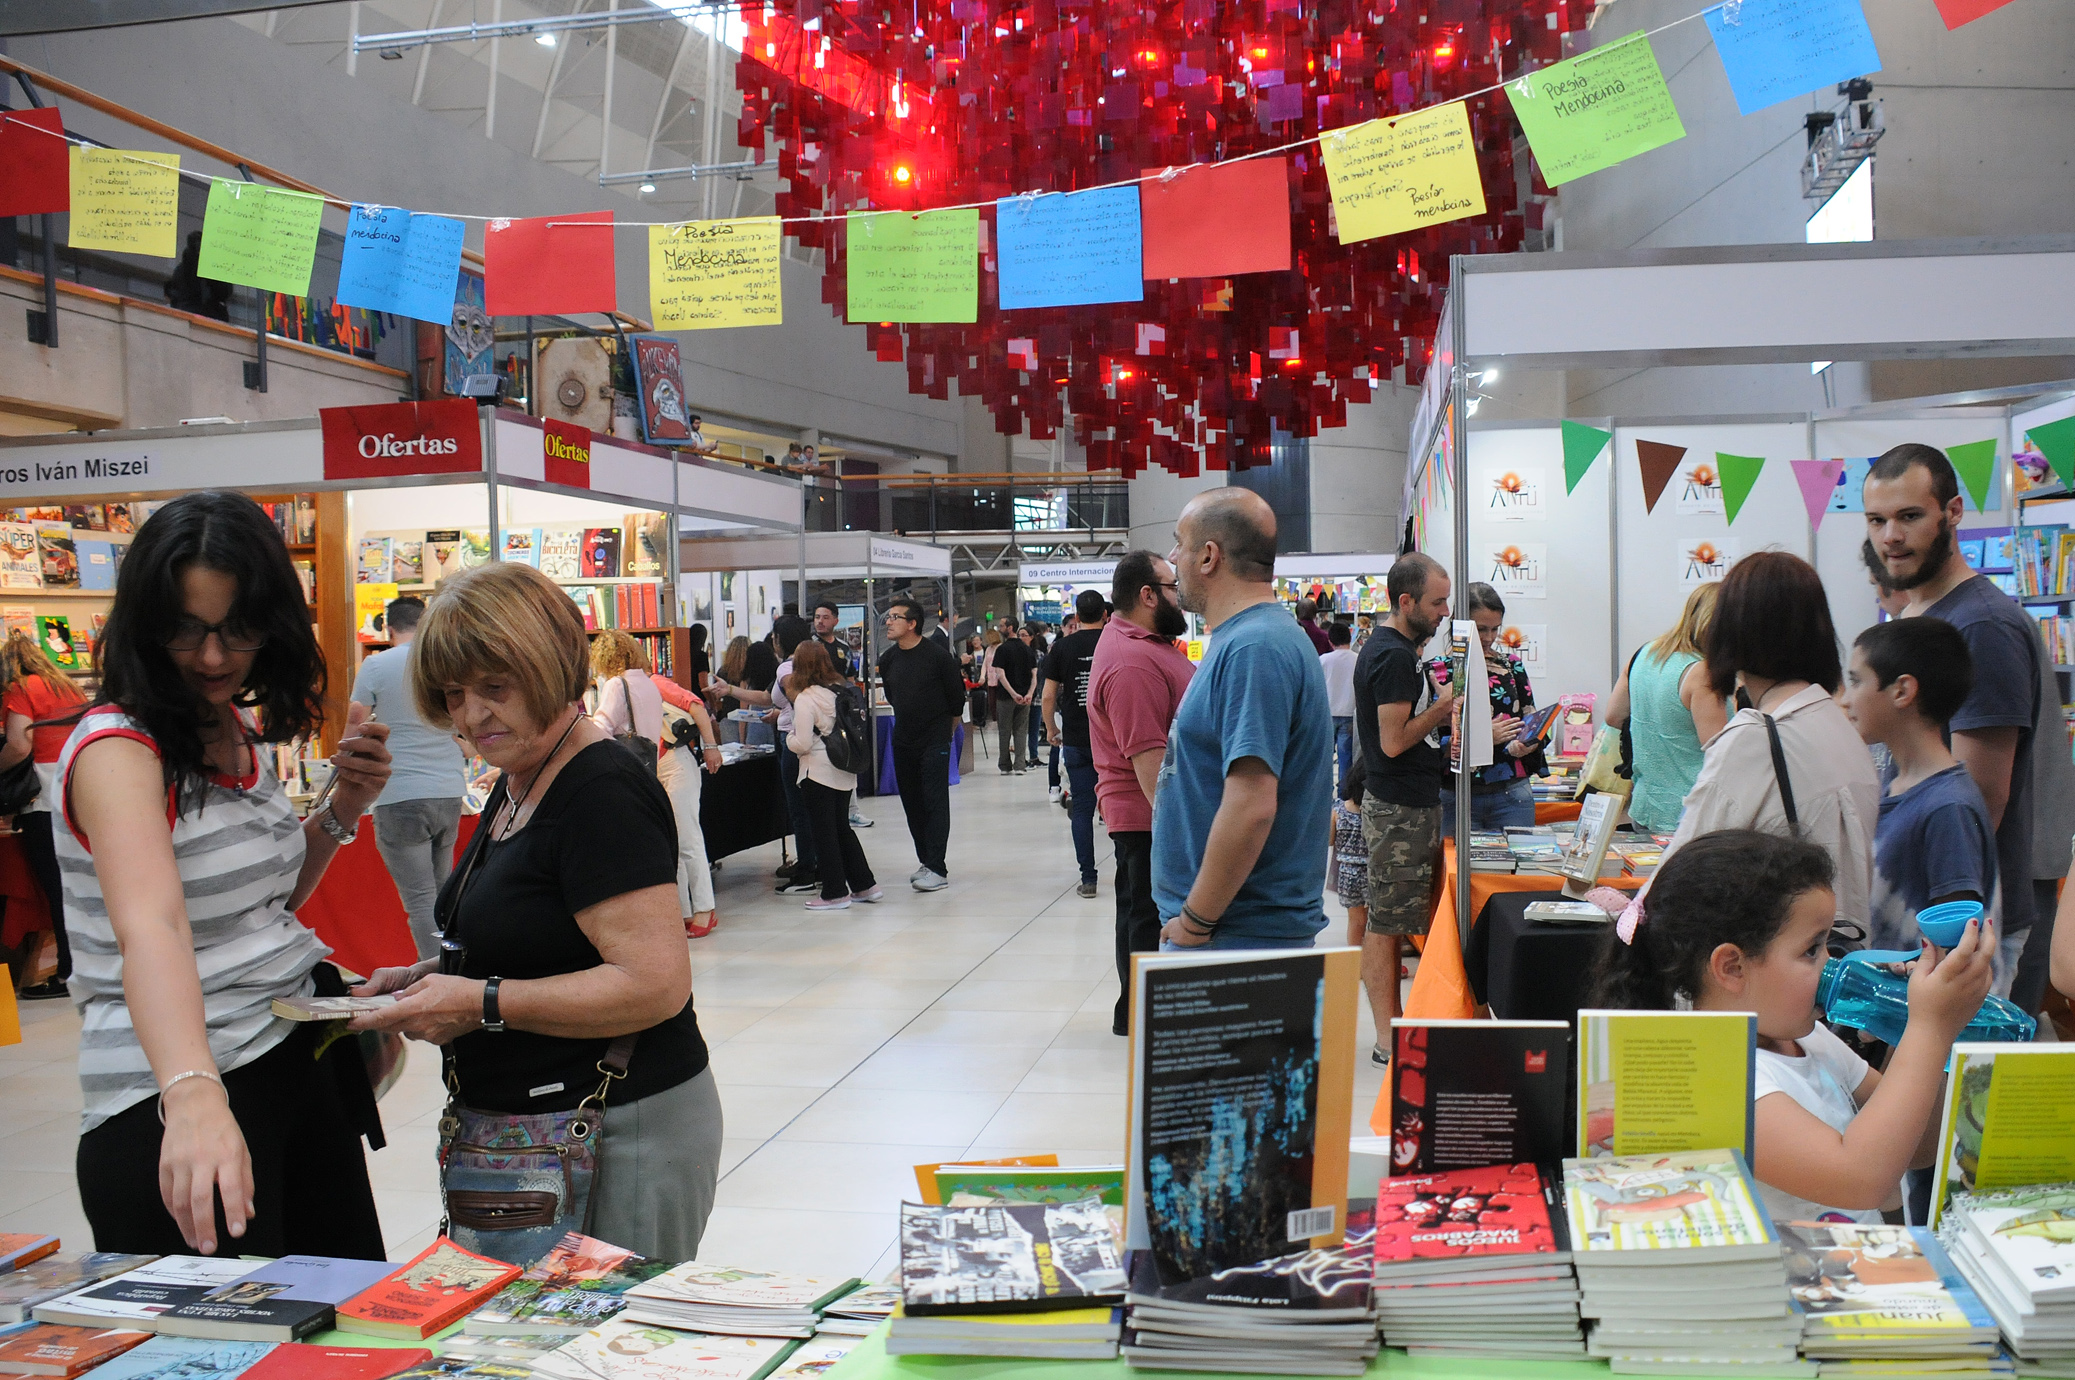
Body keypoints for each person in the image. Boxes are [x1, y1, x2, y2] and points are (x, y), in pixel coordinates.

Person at [352, 561, 719, 1261]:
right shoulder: (523, 777)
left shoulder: (598, 791)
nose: (472, 715)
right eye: (454, 695)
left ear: (547, 667)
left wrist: (480, 1001)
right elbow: (541, 939)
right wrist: (428, 978)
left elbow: (653, 983)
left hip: (619, 1133)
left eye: (495, 688)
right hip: (544, 1139)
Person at [62, 490, 395, 1258]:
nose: (213, 657)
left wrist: (345, 805)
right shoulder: (118, 749)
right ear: (146, 624)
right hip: (179, 1094)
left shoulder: (228, 727)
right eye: (185, 629)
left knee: (336, 1340)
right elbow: (154, 925)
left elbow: (259, 905)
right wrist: (191, 1087)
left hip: (286, 1068)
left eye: (236, 629)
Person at [1586, 829, 1992, 1224]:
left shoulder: (1807, 1039)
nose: (1830, 963)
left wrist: (1918, 1030)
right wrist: (1929, 1031)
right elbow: (1859, 1180)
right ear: (1732, 967)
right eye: (1811, 949)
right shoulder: (1716, 1077)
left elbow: (1917, 1147)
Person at [1866, 443, 2042, 994]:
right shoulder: (1918, 614)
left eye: (1909, 516)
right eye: (1877, 520)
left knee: (1952, 1081)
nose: (1890, 536)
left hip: (1957, 926)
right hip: (1917, 919)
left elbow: (1979, 800)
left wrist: (1940, 935)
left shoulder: (1981, 626)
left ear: (1954, 512)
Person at [1659, 551, 1879, 952]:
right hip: (1839, 962)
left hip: (1764, 970)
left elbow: (1680, 875)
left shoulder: (1754, 737)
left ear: (1730, 631)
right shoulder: (1840, 725)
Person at [1154, 489, 1332, 952]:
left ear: (1209, 556)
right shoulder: (1250, 640)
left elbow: (1251, 805)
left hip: (1235, 934)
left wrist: (1194, 921)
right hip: (1234, 929)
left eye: (1180, 543)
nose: (1174, 558)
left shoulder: (1255, 648)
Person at [1843, 618, 2001, 966]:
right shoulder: (1893, 779)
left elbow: (1958, 950)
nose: (1845, 698)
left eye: (1855, 681)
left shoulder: (1948, 808)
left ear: (1902, 691)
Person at [1354, 552, 1459, 1060]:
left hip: (1405, 803)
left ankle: (1393, 1029)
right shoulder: (1393, 656)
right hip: (1398, 808)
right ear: (1405, 601)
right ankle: (1386, 1037)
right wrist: (1442, 711)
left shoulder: (1399, 650)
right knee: (1387, 923)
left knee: (1393, 919)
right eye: (1437, 603)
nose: (1443, 613)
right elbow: (1393, 741)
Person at [1089, 552, 1194, 1034]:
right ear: (1148, 595)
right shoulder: (1132, 662)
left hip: (1146, 813)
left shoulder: (1144, 643)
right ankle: (1141, 1013)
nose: (1182, 595)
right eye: (1174, 587)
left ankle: (1138, 1009)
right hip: (1147, 814)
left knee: (1139, 910)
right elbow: (1150, 765)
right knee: (1145, 915)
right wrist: (1184, 828)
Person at [350, 596, 468, 964]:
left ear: (388, 628)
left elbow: (354, 727)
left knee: (419, 899)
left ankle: (440, 980)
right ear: (427, 621)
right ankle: (457, 972)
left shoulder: (376, 664)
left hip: (398, 792)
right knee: (444, 894)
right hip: (449, 791)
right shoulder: (443, 664)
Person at [1, 628, 88, 999]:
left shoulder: (19, 689)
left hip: (44, 799)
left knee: (57, 889)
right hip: (80, 789)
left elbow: (20, 745)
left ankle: (68, 971)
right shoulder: (68, 687)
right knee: (82, 885)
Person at [1604, 583, 1726, 835]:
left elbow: (1614, 716)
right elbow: (1723, 752)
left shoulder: (1644, 654)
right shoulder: (1702, 673)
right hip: (1692, 817)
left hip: (1646, 806)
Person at [1433, 582, 1544, 834]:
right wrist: (1482, 738)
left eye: (1495, 629)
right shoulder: (1438, 671)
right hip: (1457, 794)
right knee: (1457, 870)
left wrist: (1532, 739)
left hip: (1512, 792)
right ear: (1459, 625)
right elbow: (1429, 741)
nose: (1489, 638)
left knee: (1514, 872)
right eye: (1481, 629)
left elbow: (1531, 718)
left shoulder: (1511, 666)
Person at [783, 640, 880, 910]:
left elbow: (801, 743)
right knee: (842, 828)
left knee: (823, 833)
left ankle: (835, 891)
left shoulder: (805, 698)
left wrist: (789, 738)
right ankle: (864, 885)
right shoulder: (840, 689)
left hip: (818, 771)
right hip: (844, 766)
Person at [877, 597, 965, 891]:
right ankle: (926, 861)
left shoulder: (938, 657)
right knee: (912, 802)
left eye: (895, 617)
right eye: (888, 617)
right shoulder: (888, 659)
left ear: (912, 624)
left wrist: (945, 734)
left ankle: (937, 867)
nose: (888, 622)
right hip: (903, 739)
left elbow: (956, 702)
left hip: (935, 738)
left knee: (935, 801)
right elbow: (892, 697)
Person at [1043, 590, 1108, 898]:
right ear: (1106, 615)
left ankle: (1089, 878)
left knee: (1082, 809)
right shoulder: (1115, 644)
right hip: (1112, 741)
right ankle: (1131, 874)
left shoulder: (1062, 648)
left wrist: (1051, 729)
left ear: (1077, 617)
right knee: (1120, 808)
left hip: (1077, 740)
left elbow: (1047, 696)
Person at [1334, 758, 1371, 953]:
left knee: (1355, 921)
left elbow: (1330, 840)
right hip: (1372, 871)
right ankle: (1375, 962)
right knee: (1375, 922)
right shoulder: (1375, 812)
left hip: (1347, 873)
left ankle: (1355, 961)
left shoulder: (1339, 810)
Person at [993, 614, 1036, 774]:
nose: (999, 628)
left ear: (1010, 628)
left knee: (1004, 731)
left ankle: (1005, 765)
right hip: (1025, 697)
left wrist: (1012, 693)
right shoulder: (1027, 650)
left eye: (1002, 625)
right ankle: (1020, 765)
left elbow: (1000, 674)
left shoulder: (1002, 649)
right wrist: (1029, 694)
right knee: (1020, 730)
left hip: (1006, 697)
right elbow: (1034, 675)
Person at [1321, 621, 1357, 783]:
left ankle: (1325, 794)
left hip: (1327, 714)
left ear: (1330, 641)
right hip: (1350, 714)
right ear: (1350, 637)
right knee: (1346, 759)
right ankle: (1344, 795)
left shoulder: (1323, 660)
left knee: (1324, 760)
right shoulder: (1358, 659)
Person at [681, 623, 713, 696]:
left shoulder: (682, 654)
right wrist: (712, 702)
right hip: (697, 696)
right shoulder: (701, 656)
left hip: (684, 694)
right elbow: (703, 684)